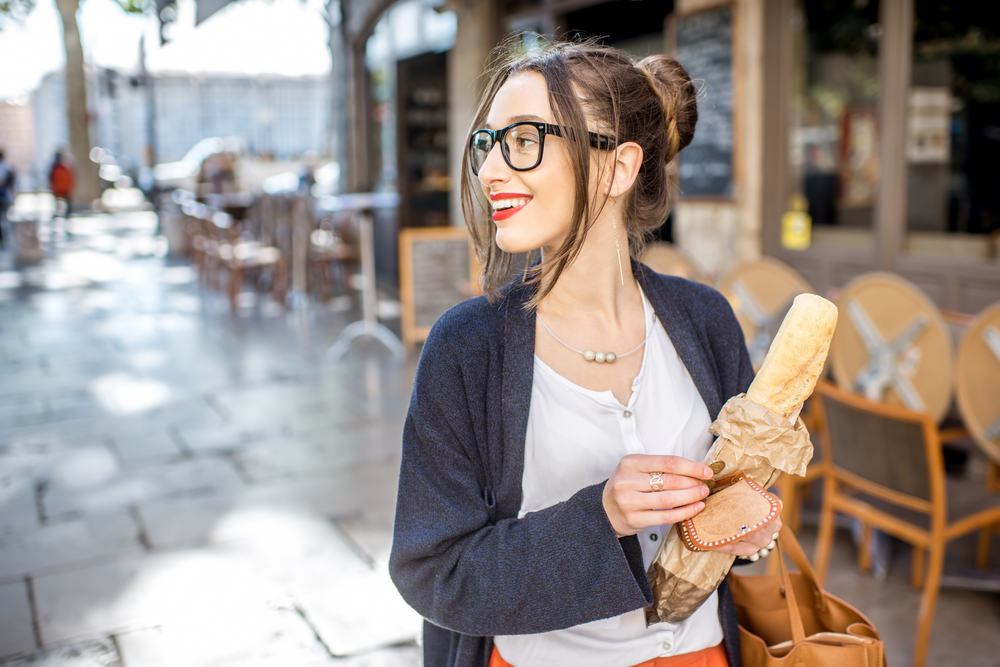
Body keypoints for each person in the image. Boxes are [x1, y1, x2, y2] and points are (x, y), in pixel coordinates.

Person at [389, 41, 782, 667]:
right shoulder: (467, 348)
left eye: (522, 140)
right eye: (488, 144)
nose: (490, 171)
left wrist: (750, 531)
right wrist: (599, 518)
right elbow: (433, 569)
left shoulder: (705, 319)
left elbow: (742, 495)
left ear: (617, 167)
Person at [49, 151, 75, 222]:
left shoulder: (64, 168)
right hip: (59, 189)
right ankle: (57, 214)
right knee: (57, 203)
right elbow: (52, 179)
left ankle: (67, 214)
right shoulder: (56, 168)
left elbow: (70, 178)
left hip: (64, 189)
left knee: (67, 204)